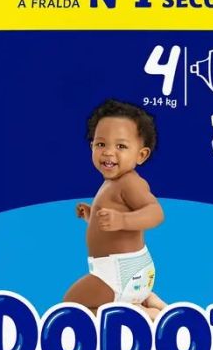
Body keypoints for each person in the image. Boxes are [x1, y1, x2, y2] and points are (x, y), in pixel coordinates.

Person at [64, 99, 167, 320]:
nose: (109, 153)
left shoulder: (130, 182)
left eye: (121, 146)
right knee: (86, 309)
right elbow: (111, 228)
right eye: (101, 144)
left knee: (71, 307)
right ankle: (147, 300)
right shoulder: (113, 182)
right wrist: (92, 216)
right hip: (127, 272)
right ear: (91, 146)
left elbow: (156, 212)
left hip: (119, 272)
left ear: (141, 155)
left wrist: (122, 220)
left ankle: (143, 312)